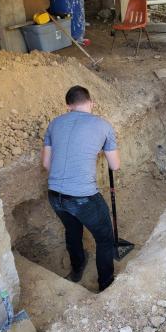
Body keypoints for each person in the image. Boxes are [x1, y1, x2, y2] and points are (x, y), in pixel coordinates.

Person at [41, 85, 120, 292]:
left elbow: (46, 165)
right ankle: (106, 283)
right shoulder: (103, 125)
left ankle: (77, 270)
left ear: (68, 106)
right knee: (104, 238)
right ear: (91, 102)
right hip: (83, 197)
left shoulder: (54, 124)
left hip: (54, 195)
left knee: (72, 230)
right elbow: (115, 166)